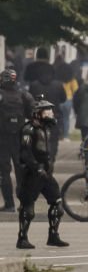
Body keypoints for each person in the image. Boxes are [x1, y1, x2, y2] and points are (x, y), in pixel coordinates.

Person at [15, 100, 68, 248]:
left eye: (51, 111)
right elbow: (25, 153)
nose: (51, 114)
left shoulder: (47, 128)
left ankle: (53, 236)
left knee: (57, 203)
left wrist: (47, 167)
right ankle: (22, 238)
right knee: (28, 207)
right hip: (32, 173)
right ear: (38, 114)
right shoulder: (29, 129)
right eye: (47, 111)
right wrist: (36, 167)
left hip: (46, 173)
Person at [1, 68, 34, 212]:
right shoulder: (23, 95)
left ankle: (9, 204)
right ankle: (25, 203)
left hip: (2, 137)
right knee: (21, 170)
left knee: (4, 171)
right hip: (20, 136)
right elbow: (32, 112)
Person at [27, 59, 66, 164]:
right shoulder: (58, 85)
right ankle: (51, 158)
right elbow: (63, 99)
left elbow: (30, 100)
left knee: (37, 139)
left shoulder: (34, 85)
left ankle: (39, 159)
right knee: (53, 140)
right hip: (54, 115)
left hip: (39, 117)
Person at [55, 55, 77, 140]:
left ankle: (58, 135)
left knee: (57, 118)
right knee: (66, 119)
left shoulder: (56, 78)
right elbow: (76, 90)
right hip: (68, 99)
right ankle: (66, 136)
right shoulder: (71, 78)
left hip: (58, 100)